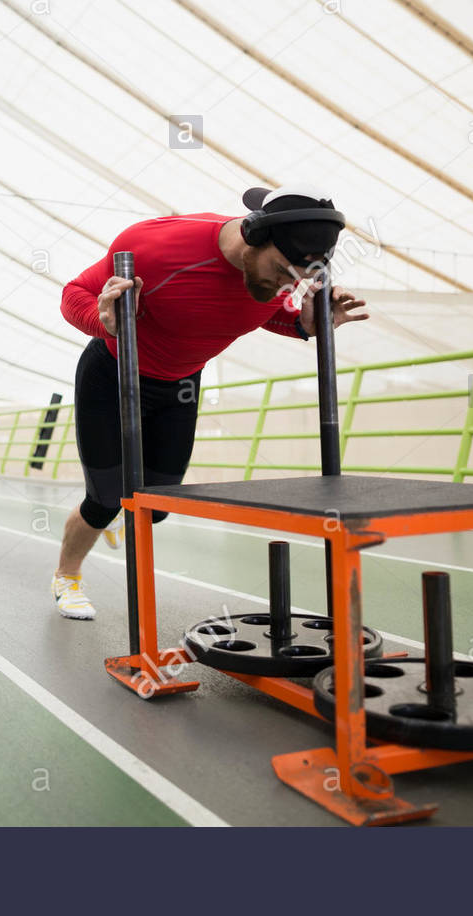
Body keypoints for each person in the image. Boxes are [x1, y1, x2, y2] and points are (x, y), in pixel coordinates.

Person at [50, 185, 370, 620]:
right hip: (113, 375)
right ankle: (67, 576)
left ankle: (112, 515)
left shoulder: (272, 278)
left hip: (180, 385)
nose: (286, 285)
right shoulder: (154, 245)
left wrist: (304, 324)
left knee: (158, 507)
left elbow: (256, 311)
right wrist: (103, 321)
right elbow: (74, 293)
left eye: (295, 280)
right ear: (253, 236)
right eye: (281, 270)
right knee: (106, 498)